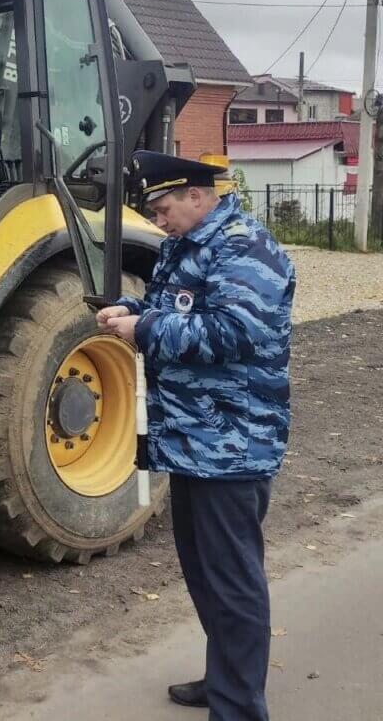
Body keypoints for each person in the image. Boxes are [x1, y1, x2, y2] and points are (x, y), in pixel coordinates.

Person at [96, 150, 296, 721]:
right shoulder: (189, 246)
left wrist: (146, 327)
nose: (159, 220)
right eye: (155, 211)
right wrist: (131, 310)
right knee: (206, 575)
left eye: (163, 208)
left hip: (234, 444)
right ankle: (225, 678)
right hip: (191, 442)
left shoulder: (245, 247)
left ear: (197, 196)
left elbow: (234, 330)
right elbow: (174, 308)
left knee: (233, 583)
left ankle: (238, 707)